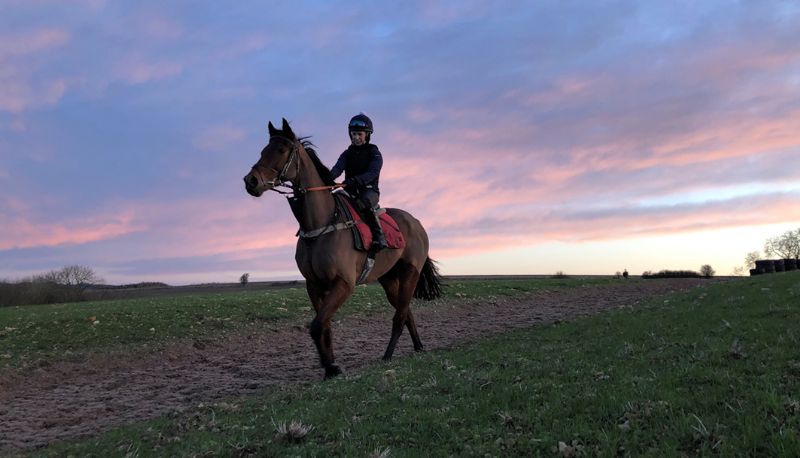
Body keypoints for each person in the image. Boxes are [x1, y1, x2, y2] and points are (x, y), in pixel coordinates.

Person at [330, 113, 388, 250]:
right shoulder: (347, 153)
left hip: (369, 191)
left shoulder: (374, 153)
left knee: (364, 203)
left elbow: (372, 173)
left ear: (367, 135)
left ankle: (380, 239)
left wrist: (355, 180)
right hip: (350, 191)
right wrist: (327, 178)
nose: (356, 137)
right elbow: (337, 168)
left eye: (359, 134)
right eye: (354, 134)